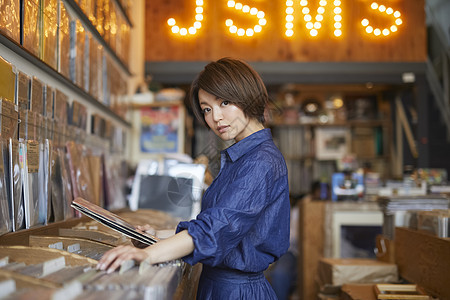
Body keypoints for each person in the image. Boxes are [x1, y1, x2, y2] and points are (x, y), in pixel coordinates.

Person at [97, 57, 290, 299]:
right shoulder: (244, 156)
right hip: (222, 286)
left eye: (224, 102)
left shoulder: (260, 160)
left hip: (238, 291)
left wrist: (149, 254)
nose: (215, 118)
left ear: (247, 95)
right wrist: (158, 235)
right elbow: (219, 225)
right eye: (207, 109)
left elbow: (217, 228)